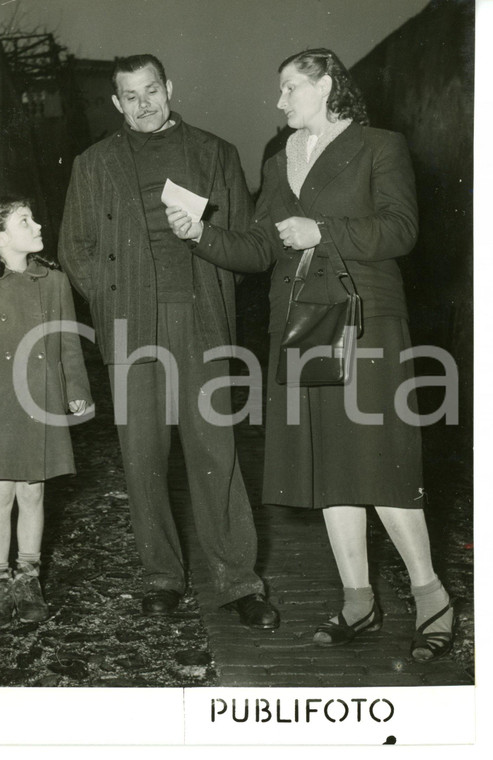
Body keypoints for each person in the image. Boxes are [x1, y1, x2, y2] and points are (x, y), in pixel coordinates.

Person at [167, 48, 454, 661]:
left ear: (326, 86)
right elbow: (260, 247)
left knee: (381, 461)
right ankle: (359, 599)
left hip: (364, 319)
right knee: (328, 466)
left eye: (290, 88)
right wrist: (201, 236)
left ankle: (432, 596)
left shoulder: (381, 146)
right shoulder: (279, 161)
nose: (279, 102)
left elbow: (401, 229)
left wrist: (324, 231)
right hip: (298, 323)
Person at [58, 54, 279, 629]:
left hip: (201, 321)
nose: (143, 103)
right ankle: (162, 576)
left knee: (216, 455)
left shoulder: (216, 153)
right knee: (142, 461)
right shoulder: (92, 163)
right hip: (131, 327)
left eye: (151, 90)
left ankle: (238, 581)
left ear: (168, 88)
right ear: (116, 103)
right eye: (129, 96)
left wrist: (203, 237)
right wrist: (111, 304)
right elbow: (75, 247)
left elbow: (248, 243)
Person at [0, 196, 93, 631]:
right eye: (25, 220)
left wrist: (76, 390)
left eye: (34, 216)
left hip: (40, 399)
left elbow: (68, 345)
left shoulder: (54, 281)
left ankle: (28, 581)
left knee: (33, 492)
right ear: (0, 237)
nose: (38, 224)